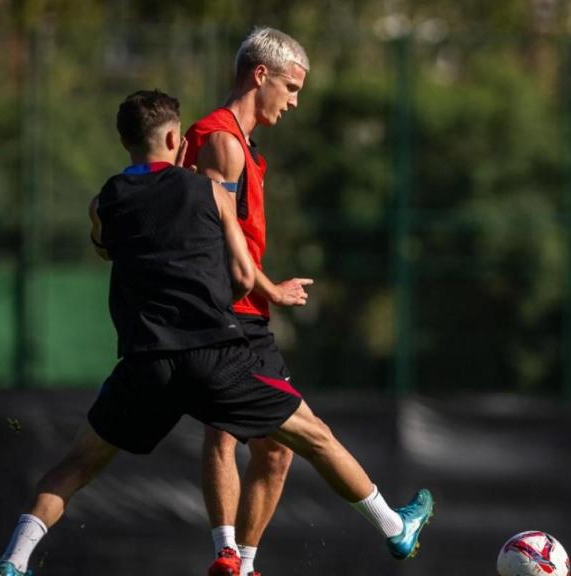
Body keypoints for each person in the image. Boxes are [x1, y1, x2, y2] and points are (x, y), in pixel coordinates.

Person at [0, 89, 433, 576]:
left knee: (75, 466)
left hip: (146, 363)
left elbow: (105, 247)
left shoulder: (107, 201)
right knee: (316, 438)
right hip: (213, 355)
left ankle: (14, 561)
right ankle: (394, 528)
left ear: (124, 142)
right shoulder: (209, 191)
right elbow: (242, 276)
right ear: (174, 139)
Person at [180, 26, 314, 576]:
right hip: (224, 312)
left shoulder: (243, 146)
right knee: (228, 430)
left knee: (275, 449)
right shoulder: (220, 140)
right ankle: (228, 555)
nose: (294, 101)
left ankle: (241, 561)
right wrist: (270, 287)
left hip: (246, 311)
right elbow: (215, 242)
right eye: (291, 87)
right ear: (261, 75)